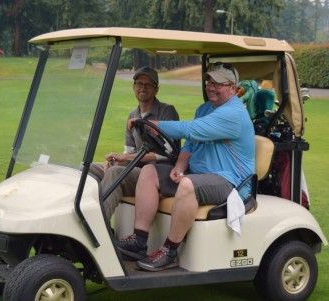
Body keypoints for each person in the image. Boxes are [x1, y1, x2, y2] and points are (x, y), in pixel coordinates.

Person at [117, 62, 255, 272]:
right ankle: (139, 240)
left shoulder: (233, 114)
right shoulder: (205, 108)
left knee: (188, 185)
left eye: (218, 83)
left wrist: (153, 125)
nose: (211, 86)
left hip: (229, 180)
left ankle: (169, 251)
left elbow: (190, 129)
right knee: (150, 171)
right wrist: (180, 166)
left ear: (233, 88)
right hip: (199, 173)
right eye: (209, 80)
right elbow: (192, 142)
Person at [97, 66, 179, 220]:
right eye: (139, 84)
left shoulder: (167, 112)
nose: (143, 88)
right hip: (137, 171)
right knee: (91, 168)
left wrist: (125, 159)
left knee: (115, 173)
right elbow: (129, 152)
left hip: (158, 174)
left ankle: (99, 225)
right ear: (133, 87)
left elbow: (167, 154)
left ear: (156, 89)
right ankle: (81, 218)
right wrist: (116, 160)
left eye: (148, 85)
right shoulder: (132, 115)